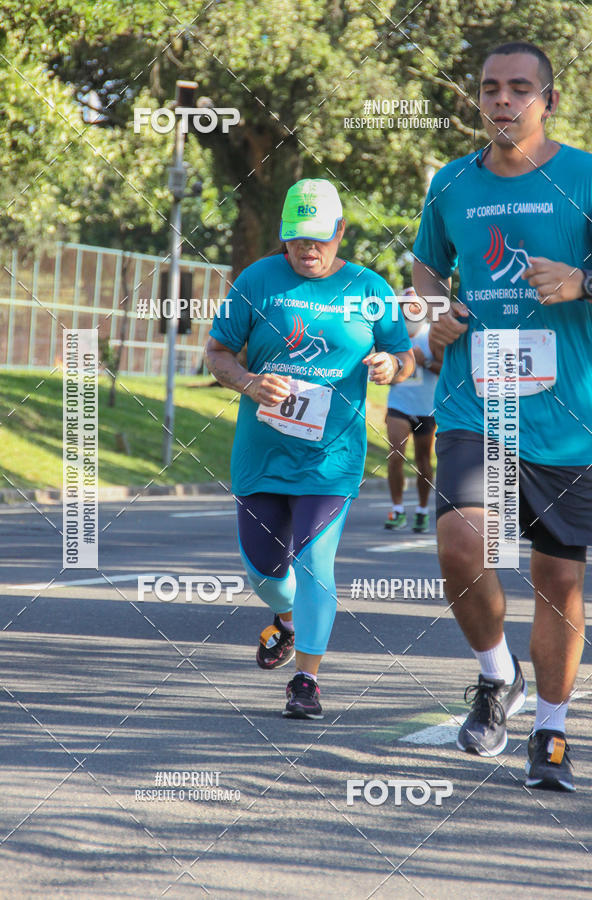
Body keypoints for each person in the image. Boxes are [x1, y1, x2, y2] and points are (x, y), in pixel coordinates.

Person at [413, 41, 592, 791]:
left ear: (548, 98)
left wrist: (583, 280)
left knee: (558, 579)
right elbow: (424, 268)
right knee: (460, 541)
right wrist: (430, 319)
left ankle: (550, 732)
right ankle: (496, 676)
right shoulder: (451, 183)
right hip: (474, 402)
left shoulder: (584, 175)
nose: (502, 100)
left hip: (570, 415)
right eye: (490, 87)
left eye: (519, 88)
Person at [205, 178, 413, 719]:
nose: (309, 249)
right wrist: (248, 382)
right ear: (283, 236)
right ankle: (289, 622)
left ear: (341, 232)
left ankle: (306, 681)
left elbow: (402, 354)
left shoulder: (370, 288)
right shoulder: (258, 280)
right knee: (264, 572)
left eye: (320, 238)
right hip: (262, 455)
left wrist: (392, 367)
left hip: (332, 458)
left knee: (316, 561)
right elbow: (218, 352)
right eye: (298, 239)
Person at [384, 288, 441, 532]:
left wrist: (424, 361)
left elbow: (446, 369)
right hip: (399, 404)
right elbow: (385, 371)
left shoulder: (433, 336)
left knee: (423, 462)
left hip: (426, 408)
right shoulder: (393, 336)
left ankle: (421, 509)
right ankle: (397, 509)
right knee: (396, 456)